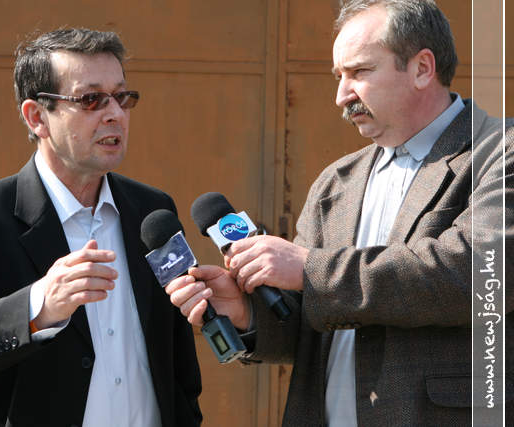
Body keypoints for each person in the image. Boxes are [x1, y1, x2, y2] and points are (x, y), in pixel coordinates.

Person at [166, 0, 512, 425]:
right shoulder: (337, 181)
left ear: (422, 68)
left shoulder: (499, 153)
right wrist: (245, 311)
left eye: (360, 72)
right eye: (338, 76)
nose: (341, 96)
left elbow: (478, 273)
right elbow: (310, 321)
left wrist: (308, 268)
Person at [0, 28, 202, 427]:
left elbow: (179, 359)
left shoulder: (153, 211)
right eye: (91, 99)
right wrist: (38, 307)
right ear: (37, 117)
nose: (115, 113)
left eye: (122, 97)